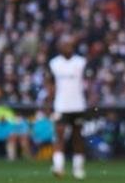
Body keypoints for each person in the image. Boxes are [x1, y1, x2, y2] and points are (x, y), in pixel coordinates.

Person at [47, 36, 87, 179]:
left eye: (69, 45)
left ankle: (78, 169)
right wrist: (48, 104)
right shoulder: (54, 64)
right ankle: (58, 167)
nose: (67, 48)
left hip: (78, 105)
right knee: (59, 136)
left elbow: (87, 83)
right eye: (64, 45)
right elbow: (50, 86)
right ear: (60, 48)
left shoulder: (81, 62)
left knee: (78, 138)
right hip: (61, 105)